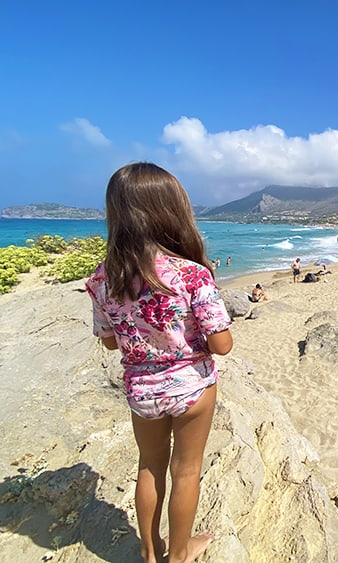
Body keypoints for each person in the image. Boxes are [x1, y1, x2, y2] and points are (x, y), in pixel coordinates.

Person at [85, 162, 233, 563]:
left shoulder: (102, 278)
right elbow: (222, 344)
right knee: (186, 471)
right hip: (191, 386)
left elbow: (111, 343)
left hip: (140, 390)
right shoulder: (192, 274)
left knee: (149, 468)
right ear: (172, 210)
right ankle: (180, 554)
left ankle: (150, 554)